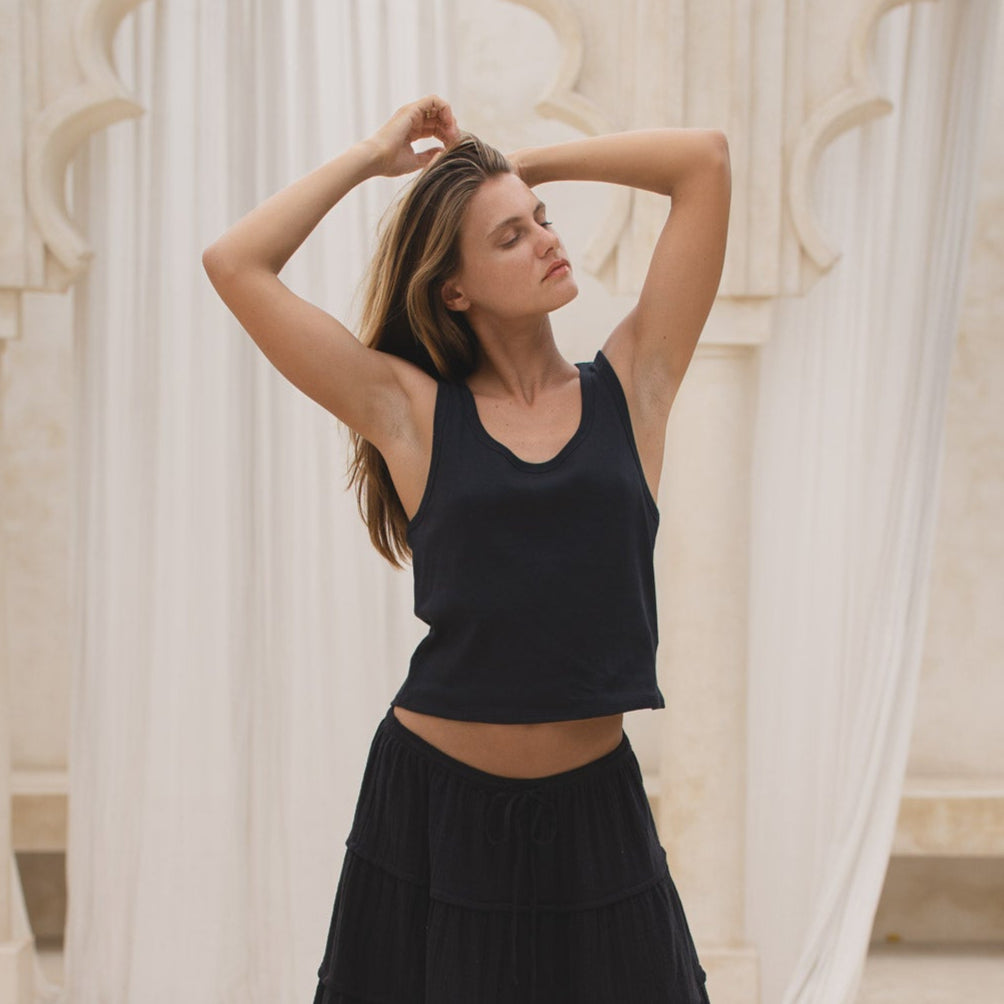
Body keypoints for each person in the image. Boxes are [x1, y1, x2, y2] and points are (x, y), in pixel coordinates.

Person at [203, 94, 730, 1003]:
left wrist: (524, 167)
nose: (544, 241)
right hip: (432, 817)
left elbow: (706, 164)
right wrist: (372, 157)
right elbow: (236, 263)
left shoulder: (633, 386)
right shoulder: (410, 413)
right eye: (509, 239)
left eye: (542, 224)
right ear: (454, 289)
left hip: (593, 816)